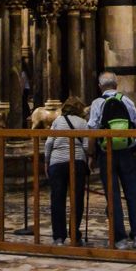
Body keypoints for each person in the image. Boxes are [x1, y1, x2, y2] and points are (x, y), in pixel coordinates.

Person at [87, 72, 136, 250]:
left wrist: (91, 155)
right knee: (132, 194)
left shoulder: (97, 104)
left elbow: (92, 131)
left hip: (107, 154)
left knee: (113, 196)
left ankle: (120, 239)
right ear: (116, 85)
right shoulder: (127, 101)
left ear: (100, 86)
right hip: (127, 152)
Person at [44, 95, 89, 246]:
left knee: (57, 199)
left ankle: (58, 237)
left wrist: (47, 161)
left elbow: (49, 143)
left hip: (57, 162)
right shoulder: (83, 123)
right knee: (77, 199)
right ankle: (75, 235)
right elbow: (87, 146)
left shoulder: (57, 121)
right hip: (76, 162)